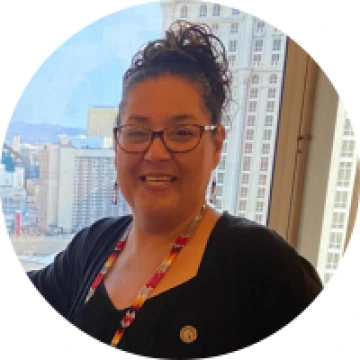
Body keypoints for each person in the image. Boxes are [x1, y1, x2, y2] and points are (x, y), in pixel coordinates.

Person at [28, 20, 322, 358]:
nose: (155, 153)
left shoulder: (263, 266)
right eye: (137, 132)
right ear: (116, 142)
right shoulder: (94, 244)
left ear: (216, 145)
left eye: (182, 133)